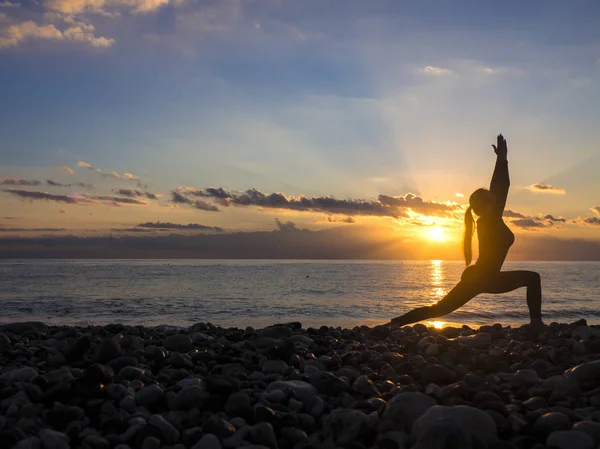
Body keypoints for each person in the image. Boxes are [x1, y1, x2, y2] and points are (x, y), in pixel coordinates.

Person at [382, 134, 543, 329]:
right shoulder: (489, 220)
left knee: (440, 309)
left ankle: (392, 324)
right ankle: (393, 324)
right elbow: (501, 187)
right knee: (439, 309)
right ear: (485, 206)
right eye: (492, 200)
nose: (497, 200)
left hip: (486, 277)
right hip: (483, 278)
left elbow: (499, 189)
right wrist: (501, 159)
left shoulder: (488, 219)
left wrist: (501, 159)